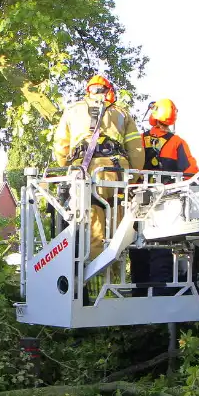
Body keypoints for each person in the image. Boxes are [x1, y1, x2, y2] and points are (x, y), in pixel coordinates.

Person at [51, 74, 145, 260]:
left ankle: (94, 278)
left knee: (93, 230)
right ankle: (115, 276)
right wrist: (131, 179)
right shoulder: (122, 114)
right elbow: (136, 151)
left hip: (84, 176)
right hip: (117, 175)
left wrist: (69, 170)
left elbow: (61, 148)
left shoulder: (72, 110)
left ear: (88, 91)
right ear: (109, 91)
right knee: (117, 232)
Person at [132, 98, 197, 296]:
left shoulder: (139, 141)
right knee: (161, 248)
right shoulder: (178, 143)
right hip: (166, 205)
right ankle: (161, 297)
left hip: (137, 204)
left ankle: (139, 297)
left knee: (138, 249)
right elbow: (191, 172)